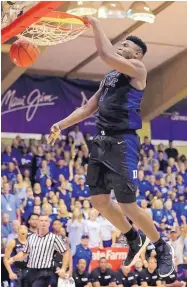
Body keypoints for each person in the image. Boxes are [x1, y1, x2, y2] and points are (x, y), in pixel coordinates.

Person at [47, 16, 174, 278]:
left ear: (136, 53)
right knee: (99, 202)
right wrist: (60, 124)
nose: (121, 46)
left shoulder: (138, 69)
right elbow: (87, 108)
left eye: (126, 44)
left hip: (122, 141)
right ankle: (132, 237)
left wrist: (95, 23)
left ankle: (162, 247)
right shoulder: (109, 77)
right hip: (101, 141)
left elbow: (105, 53)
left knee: (128, 204)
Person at [8, 215, 70, 287]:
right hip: (31, 271)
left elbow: (66, 253)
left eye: (46, 221)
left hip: (45, 272)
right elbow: (24, 253)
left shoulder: (54, 238)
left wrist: (63, 268)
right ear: (38, 223)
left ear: (49, 224)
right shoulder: (31, 237)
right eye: (41, 221)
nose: (43, 223)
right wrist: (13, 258)